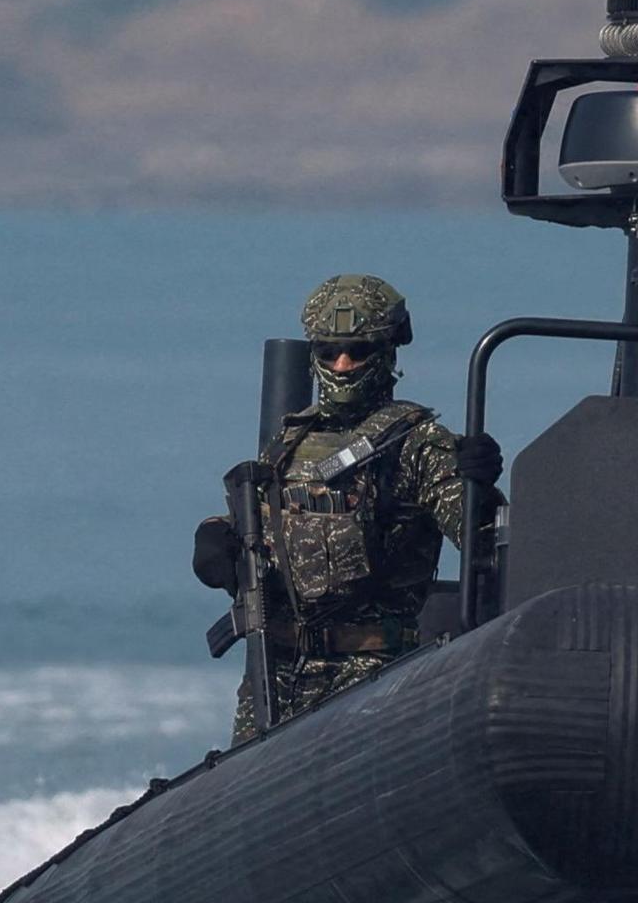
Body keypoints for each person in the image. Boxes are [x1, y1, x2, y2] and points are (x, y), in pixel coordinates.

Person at [198, 274, 488, 740]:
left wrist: (478, 484)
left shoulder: (416, 443)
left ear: (388, 353)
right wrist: (214, 535)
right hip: (279, 669)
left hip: (367, 668)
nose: (344, 364)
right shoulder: (292, 439)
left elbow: (481, 538)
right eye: (329, 351)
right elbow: (259, 521)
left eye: (358, 350)